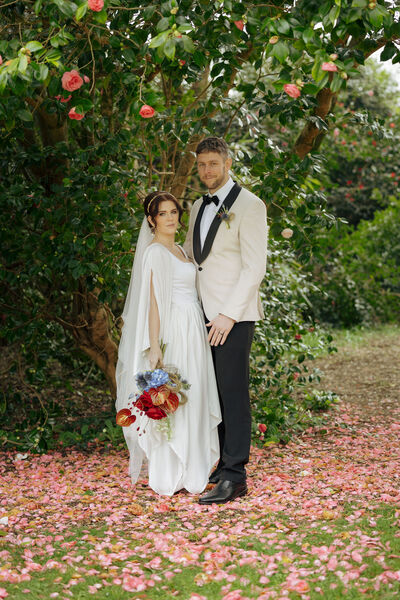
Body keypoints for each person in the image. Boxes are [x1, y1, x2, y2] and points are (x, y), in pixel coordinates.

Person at [116, 191, 221, 496]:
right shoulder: (154, 253)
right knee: (175, 396)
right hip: (173, 329)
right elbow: (153, 304)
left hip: (194, 329)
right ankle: (171, 473)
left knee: (195, 394)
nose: (171, 217)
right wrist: (155, 346)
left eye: (173, 211)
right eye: (163, 213)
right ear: (151, 220)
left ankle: (195, 469)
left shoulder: (178, 249)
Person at [184, 137, 268, 505]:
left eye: (214, 163)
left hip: (233, 316)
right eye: (202, 164)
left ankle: (235, 475)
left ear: (228, 163)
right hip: (198, 313)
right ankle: (220, 465)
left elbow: (254, 268)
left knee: (232, 393)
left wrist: (228, 315)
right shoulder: (195, 207)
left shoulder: (250, 205)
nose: (207, 171)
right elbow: (193, 259)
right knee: (211, 392)